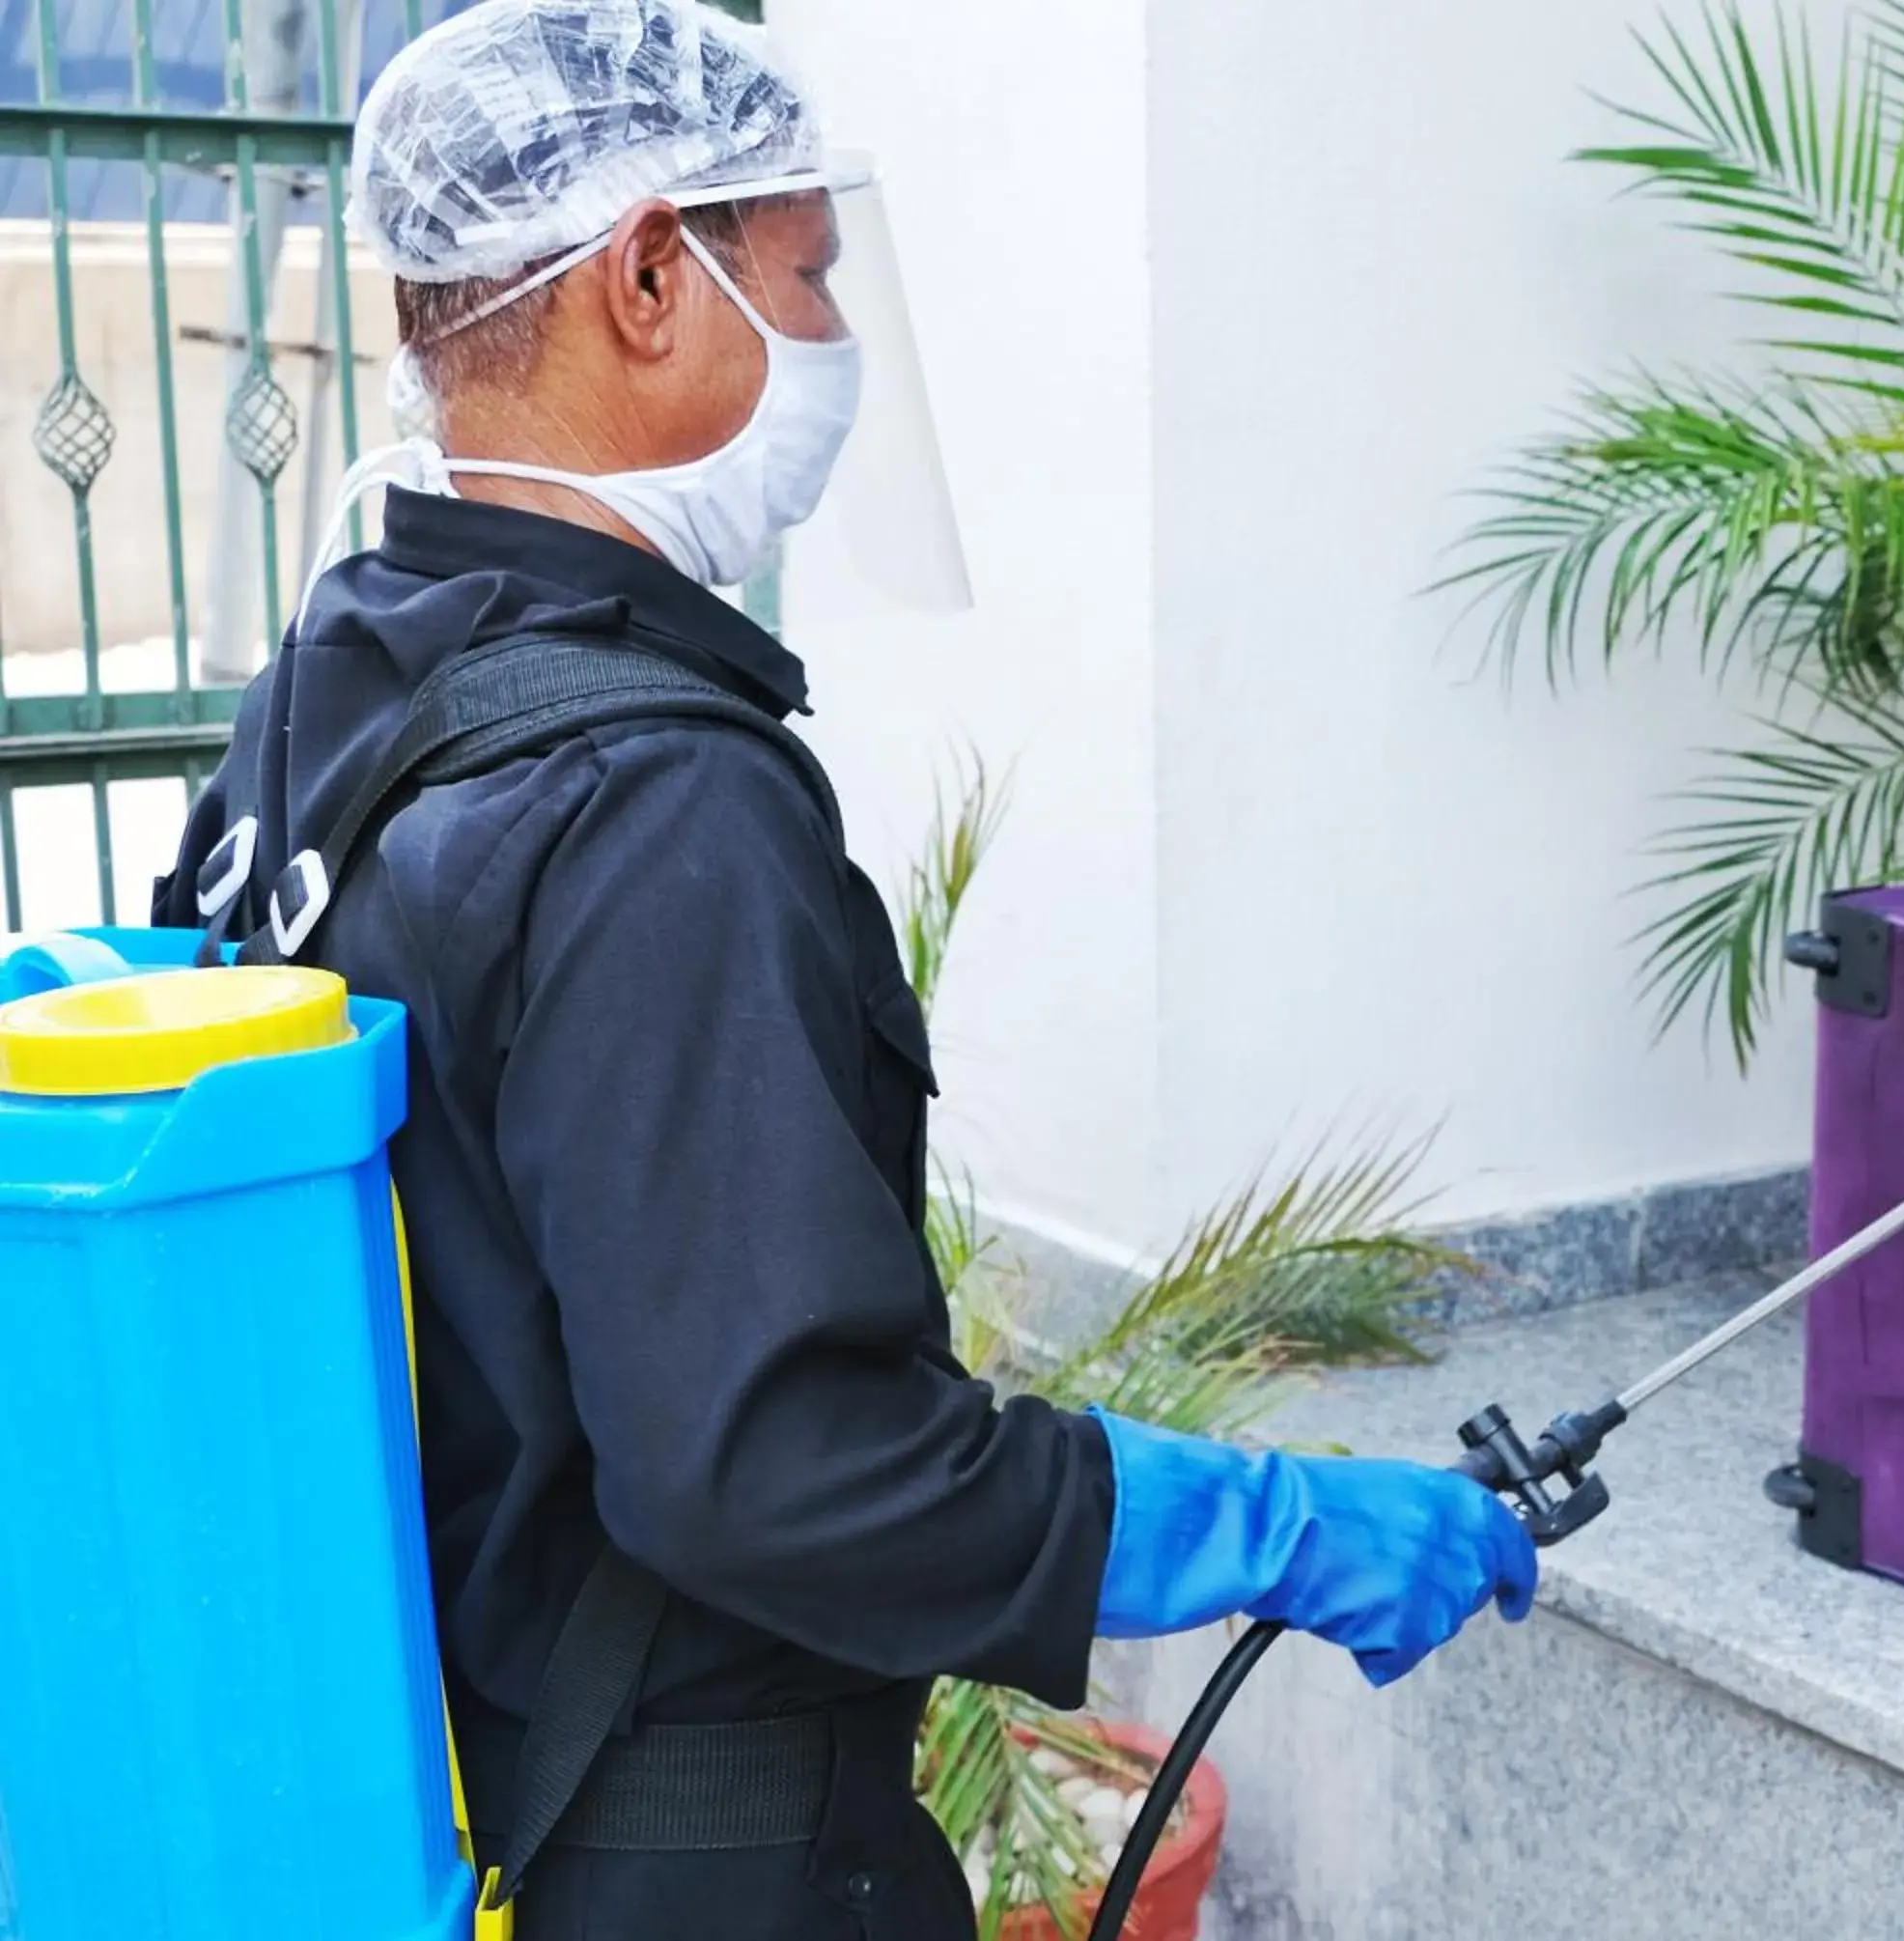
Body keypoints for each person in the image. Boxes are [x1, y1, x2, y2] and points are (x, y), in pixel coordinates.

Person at [151, 4, 1536, 1936]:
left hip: (456, 1761)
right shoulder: (651, 807)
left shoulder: (346, 679)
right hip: (681, 1854)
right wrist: (1270, 1527)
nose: (831, 345)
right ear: (647, 278)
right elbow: (780, 1468)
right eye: (800, 274)